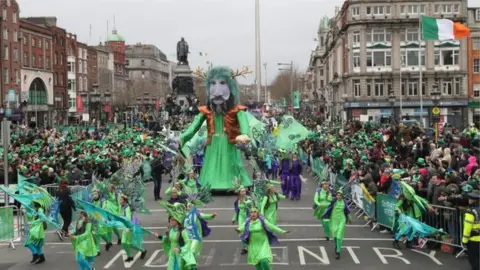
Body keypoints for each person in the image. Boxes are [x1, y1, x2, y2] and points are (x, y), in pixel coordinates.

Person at [322, 190, 351, 260]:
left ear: (342, 196)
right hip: (334, 220)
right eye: (337, 195)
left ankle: (338, 252)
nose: (338, 196)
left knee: (339, 236)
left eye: (340, 195)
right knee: (335, 236)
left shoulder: (344, 202)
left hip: (342, 220)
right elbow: (327, 202)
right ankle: (336, 246)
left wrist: (349, 218)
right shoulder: (334, 202)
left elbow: (347, 210)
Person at [120, 195, 147, 262]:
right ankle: (130, 256)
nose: (120, 201)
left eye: (121, 199)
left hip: (129, 228)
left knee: (130, 244)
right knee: (123, 243)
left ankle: (143, 250)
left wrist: (128, 228)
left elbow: (128, 219)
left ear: (125, 200)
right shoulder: (122, 207)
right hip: (125, 227)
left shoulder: (127, 208)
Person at [462, 191, 480, 270]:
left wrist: (464, 240)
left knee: (474, 260)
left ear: (471, 200)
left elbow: (467, 228)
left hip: (473, 240)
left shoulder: (470, 212)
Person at [232, 186, 252, 255]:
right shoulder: (238, 200)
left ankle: (250, 245)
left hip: (248, 216)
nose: (244, 192)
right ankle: (244, 248)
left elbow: (249, 202)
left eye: (244, 191)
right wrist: (234, 218)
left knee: (248, 231)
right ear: (239, 193)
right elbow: (237, 210)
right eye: (242, 191)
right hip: (241, 216)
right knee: (241, 232)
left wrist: (245, 202)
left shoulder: (248, 198)